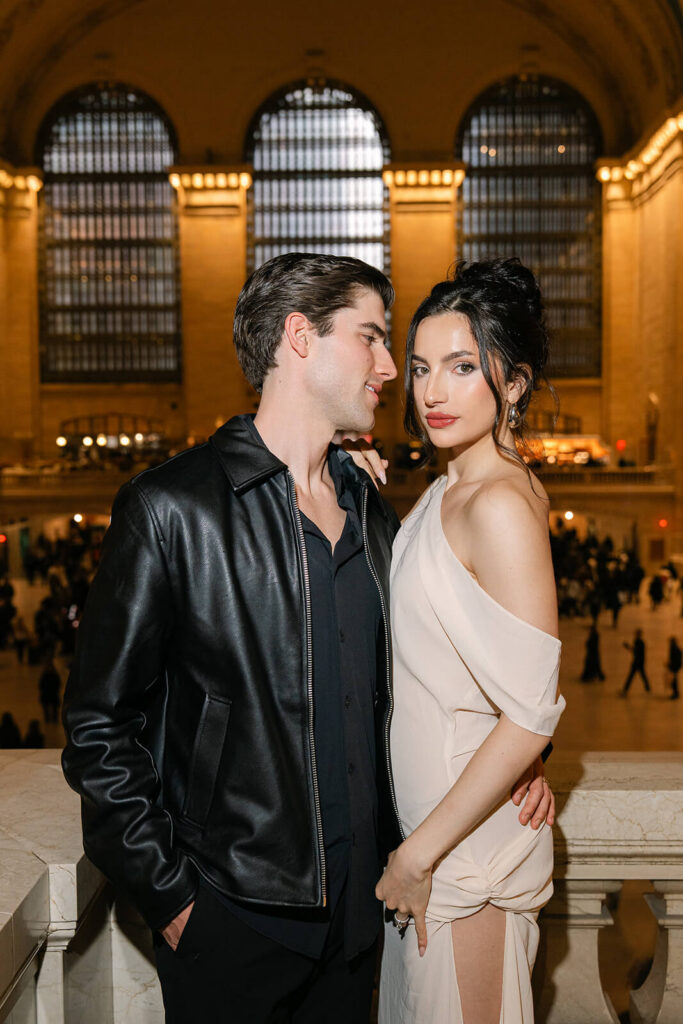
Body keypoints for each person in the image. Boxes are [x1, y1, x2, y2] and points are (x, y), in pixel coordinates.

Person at [61, 253, 552, 1024]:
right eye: (374, 339)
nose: (393, 370)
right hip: (235, 915)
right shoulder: (171, 507)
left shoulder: (371, 507)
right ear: (300, 337)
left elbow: (451, 661)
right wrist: (172, 897)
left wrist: (521, 753)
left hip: (369, 914)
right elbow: (98, 728)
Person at [375, 260, 565, 1024]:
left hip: (463, 854)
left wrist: (417, 856)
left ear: (512, 383)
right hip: (438, 834)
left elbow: (529, 709)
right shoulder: (450, 484)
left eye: (460, 366)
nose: (431, 391)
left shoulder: (499, 503)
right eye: (420, 367)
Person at [620, 628, 650, 696]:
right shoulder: (638, 642)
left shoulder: (640, 643)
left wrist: (627, 646)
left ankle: (625, 690)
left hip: (637, 662)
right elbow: (635, 651)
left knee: (631, 676)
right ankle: (648, 687)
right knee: (642, 675)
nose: (635, 635)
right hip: (639, 662)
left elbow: (635, 651)